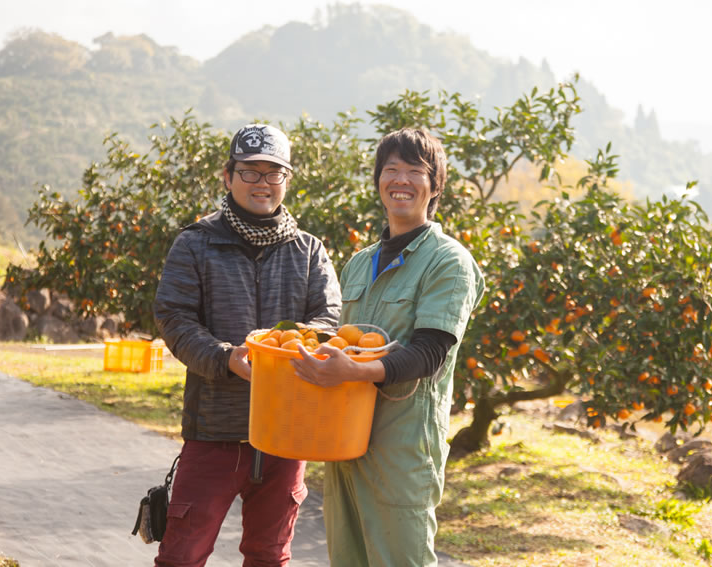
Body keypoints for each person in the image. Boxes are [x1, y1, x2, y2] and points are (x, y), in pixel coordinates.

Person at [291, 127, 485, 566]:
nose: (401, 180)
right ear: (378, 180)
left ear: (435, 185)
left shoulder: (449, 261)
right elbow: (342, 341)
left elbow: (430, 352)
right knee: (349, 559)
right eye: (391, 169)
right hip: (345, 437)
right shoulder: (359, 263)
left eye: (415, 171)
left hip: (402, 446)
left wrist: (354, 372)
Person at [152, 123, 341, 566]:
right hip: (215, 429)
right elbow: (174, 318)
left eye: (273, 173)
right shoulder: (196, 244)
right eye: (250, 172)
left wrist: (290, 349)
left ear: (287, 180)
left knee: (269, 555)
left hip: (286, 433)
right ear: (228, 176)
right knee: (182, 554)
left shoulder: (308, 250)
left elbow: (328, 319)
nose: (262, 183)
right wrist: (225, 359)